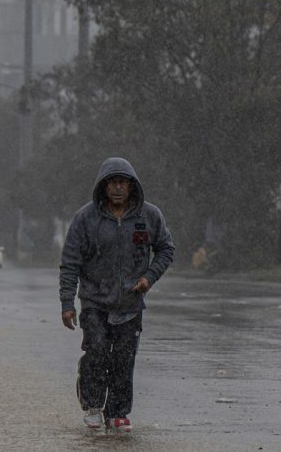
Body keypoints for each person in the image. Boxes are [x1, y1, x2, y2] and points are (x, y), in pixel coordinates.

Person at [59, 157, 175, 432]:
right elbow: (70, 262)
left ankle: (118, 412)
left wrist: (148, 277)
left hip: (131, 304)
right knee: (97, 352)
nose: (118, 188)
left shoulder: (149, 216)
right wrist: (67, 303)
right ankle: (93, 406)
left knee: (124, 359)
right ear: (103, 187)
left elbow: (166, 249)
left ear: (132, 186)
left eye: (123, 183)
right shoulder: (86, 218)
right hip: (94, 302)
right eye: (112, 183)